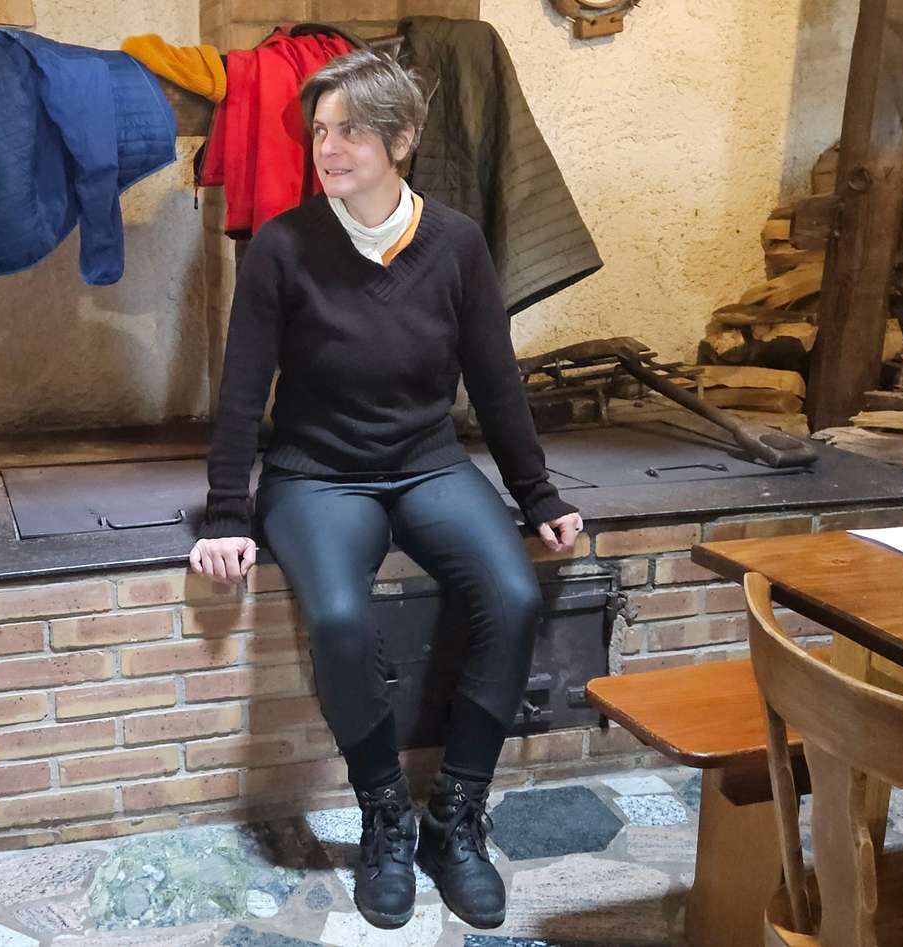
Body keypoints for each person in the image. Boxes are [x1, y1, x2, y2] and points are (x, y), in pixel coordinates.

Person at [189, 49, 583, 932]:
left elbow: (495, 377)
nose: (328, 149)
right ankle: (386, 816)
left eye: (350, 132)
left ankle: (455, 818)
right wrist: (225, 512)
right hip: (316, 474)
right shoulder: (283, 245)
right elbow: (243, 388)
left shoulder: (456, 243)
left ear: (400, 141)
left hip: (428, 462)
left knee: (514, 596)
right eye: (321, 131)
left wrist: (539, 495)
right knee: (337, 617)